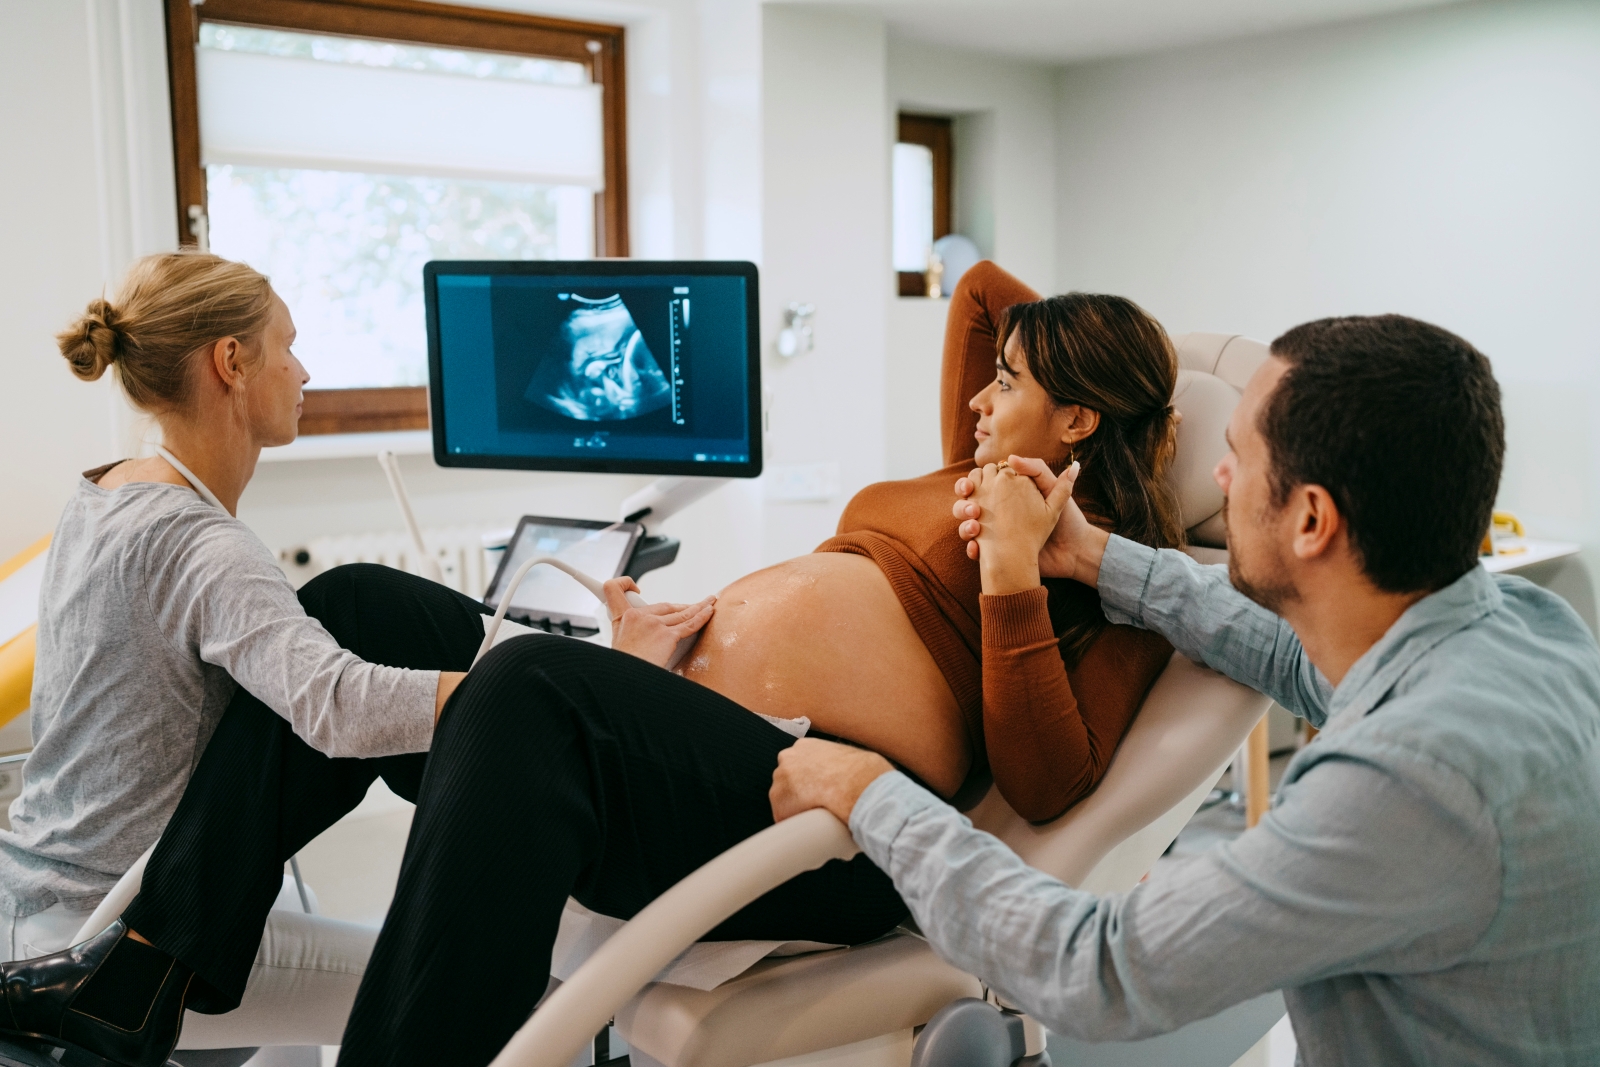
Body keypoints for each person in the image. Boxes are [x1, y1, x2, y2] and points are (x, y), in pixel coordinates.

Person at [1, 254, 1186, 1066]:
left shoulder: (1111, 577)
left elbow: (1046, 784)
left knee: (528, 685)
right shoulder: (963, 469)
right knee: (357, 602)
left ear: (1077, 419)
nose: (979, 396)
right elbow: (983, 294)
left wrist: (1023, 563)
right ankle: (149, 968)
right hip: (691, 747)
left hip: (819, 811)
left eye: (1010, 383)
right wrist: (1078, 368)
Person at [771, 314, 1600, 1064]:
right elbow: (1289, 656)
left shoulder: (1406, 782)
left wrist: (871, 794)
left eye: (1239, 458)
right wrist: (1090, 554)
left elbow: (1097, 969)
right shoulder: (1528, 627)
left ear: (1312, 520)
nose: (1219, 475)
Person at [0, 251, 716, 1067]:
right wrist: (550, 698)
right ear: (231, 362)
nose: (303, 370)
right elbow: (337, 708)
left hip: (29, 893)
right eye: (287, 345)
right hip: (103, 928)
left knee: (358, 603)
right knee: (541, 1005)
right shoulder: (201, 545)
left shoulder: (102, 496)